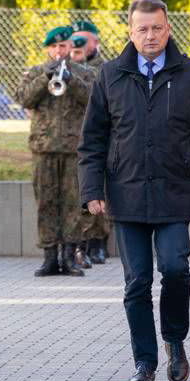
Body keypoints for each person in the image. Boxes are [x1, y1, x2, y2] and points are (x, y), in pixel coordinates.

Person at [79, 0, 190, 381]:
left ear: (168, 29)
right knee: (137, 281)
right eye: (142, 29)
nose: (150, 35)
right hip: (125, 194)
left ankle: (174, 340)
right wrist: (92, 188)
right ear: (130, 32)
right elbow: (92, 138)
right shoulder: (110, 75)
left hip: (174, 191)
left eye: (157, 28)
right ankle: (144, 364)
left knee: (176, 269)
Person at [15, 25, 91, 277]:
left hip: (73, 148)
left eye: (64, 46)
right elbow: (24, 99)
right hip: (44, 148)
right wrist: (44, 78)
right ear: (48, 49)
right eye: (55, 47)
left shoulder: (84, 72)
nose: (59, 51)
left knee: (72, 203)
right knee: (45, 203)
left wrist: (71, 80)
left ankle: (69, 257)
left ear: (71, 46)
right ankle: (49, 257)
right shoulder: (36, 72)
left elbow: (94, 99)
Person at [72, 21, 110, 265]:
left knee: (99, 190)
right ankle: (81, 244)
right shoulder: (68, 66)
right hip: (71, 138)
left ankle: (99, 243)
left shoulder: (105, 68)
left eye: (83, 41)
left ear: (95, 42)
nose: (80, 46)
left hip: (99, 137)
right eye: (75, 41)